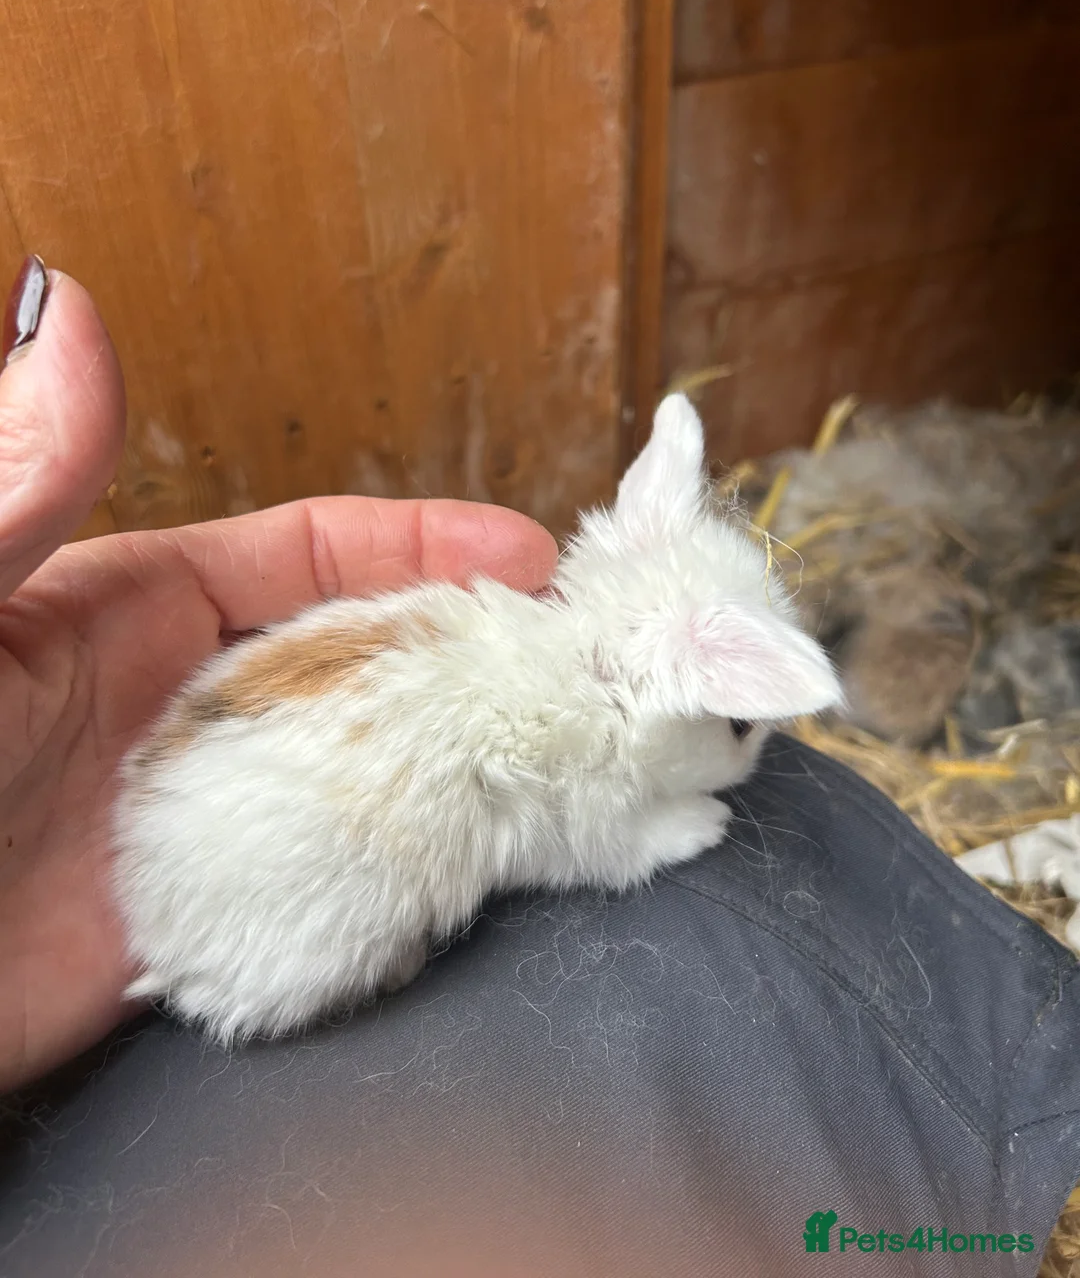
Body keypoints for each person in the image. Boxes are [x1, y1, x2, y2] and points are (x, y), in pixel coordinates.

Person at [1, 259, 1078, 1277]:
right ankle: (256, 977)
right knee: (396, 921)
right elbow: (589, 836)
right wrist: (660, 833)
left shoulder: (510, 638)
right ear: (699, 679)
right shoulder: (589, 742)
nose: (750, 753)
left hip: (168, 829)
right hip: (262, 943)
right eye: (741, 724)